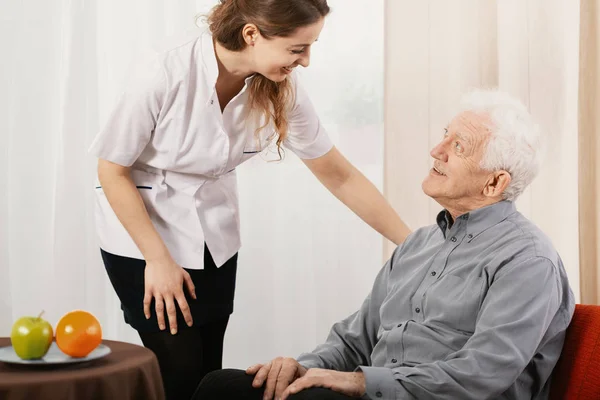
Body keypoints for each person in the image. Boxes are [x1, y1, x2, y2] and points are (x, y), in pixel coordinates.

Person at [88, 0, 411, 399]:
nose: (306, 61)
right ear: (252, 34)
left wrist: (413, 244)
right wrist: (158, 260)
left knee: (208, 374)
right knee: (180, 374)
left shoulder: (278, 86)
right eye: (297, 48)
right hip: (143, 236)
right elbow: (112, 170)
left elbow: (339, 174)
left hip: (214, 236)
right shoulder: (165, 71)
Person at [193, 89, 576, 400]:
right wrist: (304, 368)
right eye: (445, 134)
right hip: (375, 394)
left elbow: (482, 374)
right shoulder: (418, 245)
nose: (436, 150)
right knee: (221, 386)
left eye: (459, 147)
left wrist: (359, 382)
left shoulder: (527, 261)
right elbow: (355, 340)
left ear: (494, 183)